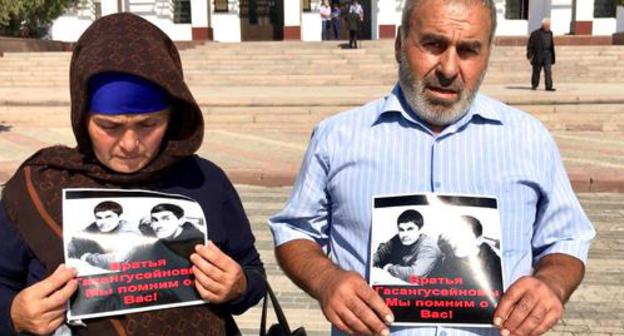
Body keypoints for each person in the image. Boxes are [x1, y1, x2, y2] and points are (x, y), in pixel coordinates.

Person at [268, 0, 595, 335]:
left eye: (469, 50)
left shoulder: (529, 139)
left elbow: (565, 236)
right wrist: (326, 280)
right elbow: (296, 231)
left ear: (488, 54)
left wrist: (552, 284)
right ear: (399, 44)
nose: (449, 68)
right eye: (433, 45)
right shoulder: (337, 138)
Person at [0, 13, 265, 335]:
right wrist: (13, 314)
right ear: (83, 116)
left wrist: (238, 286)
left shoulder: (205, 181)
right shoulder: (37, 187)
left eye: (149, 124)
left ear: (174, 115)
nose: (129, 144)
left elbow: (251, 271)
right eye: (109, 126)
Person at [433, 216, 503, 295]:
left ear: (479, 240)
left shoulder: (496, 267)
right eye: (453, 235)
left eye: (464, 237)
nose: (456, 241)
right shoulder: (447, 260)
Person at [372, 210, 441, 282]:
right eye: (401, 230)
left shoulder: (429, 247)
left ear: (420, 230)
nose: (405, 235)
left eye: (410, 229)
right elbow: (379, 255)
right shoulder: (398, 239)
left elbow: (415, 275)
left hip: (429, 288)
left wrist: (389, 268)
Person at [67, 201, 138, 270]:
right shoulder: (95, 226)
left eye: (108, 217)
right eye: (99, 218)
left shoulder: (129, 231)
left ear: (120, 217)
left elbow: (117, 259)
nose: (103, 222)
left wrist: (87, 258)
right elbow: (75, 243)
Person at [527, 18, 556, 91]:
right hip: (538, 55)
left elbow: (551, 44)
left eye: (549, 26)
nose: (548, 27)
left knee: (548, 71)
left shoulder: (550, 33)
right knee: (536, 71)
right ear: (543, 25)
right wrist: (530, 55)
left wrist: (552, 55)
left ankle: (549, 86)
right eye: (547, 25)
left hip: (548, 55)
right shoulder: (535, 34)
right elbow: (530, 45)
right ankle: (534, 84)